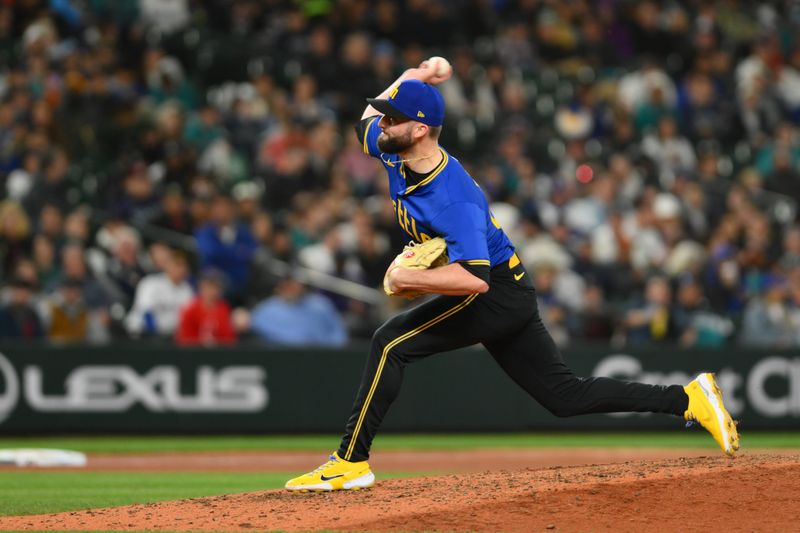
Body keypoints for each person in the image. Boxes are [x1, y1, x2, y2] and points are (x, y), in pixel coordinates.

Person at [285, 59, 739, 492]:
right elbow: (367, 114)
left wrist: (409, 281)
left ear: (420, 129)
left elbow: (474, 279)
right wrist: (416, 75)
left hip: (494, 292)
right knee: (565, 397)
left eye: (391, 119)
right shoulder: (394, 149)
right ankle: (688, 399)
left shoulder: (453, 198)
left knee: (390, 343)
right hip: (510, 289)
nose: (380, 125)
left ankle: (349, 462)